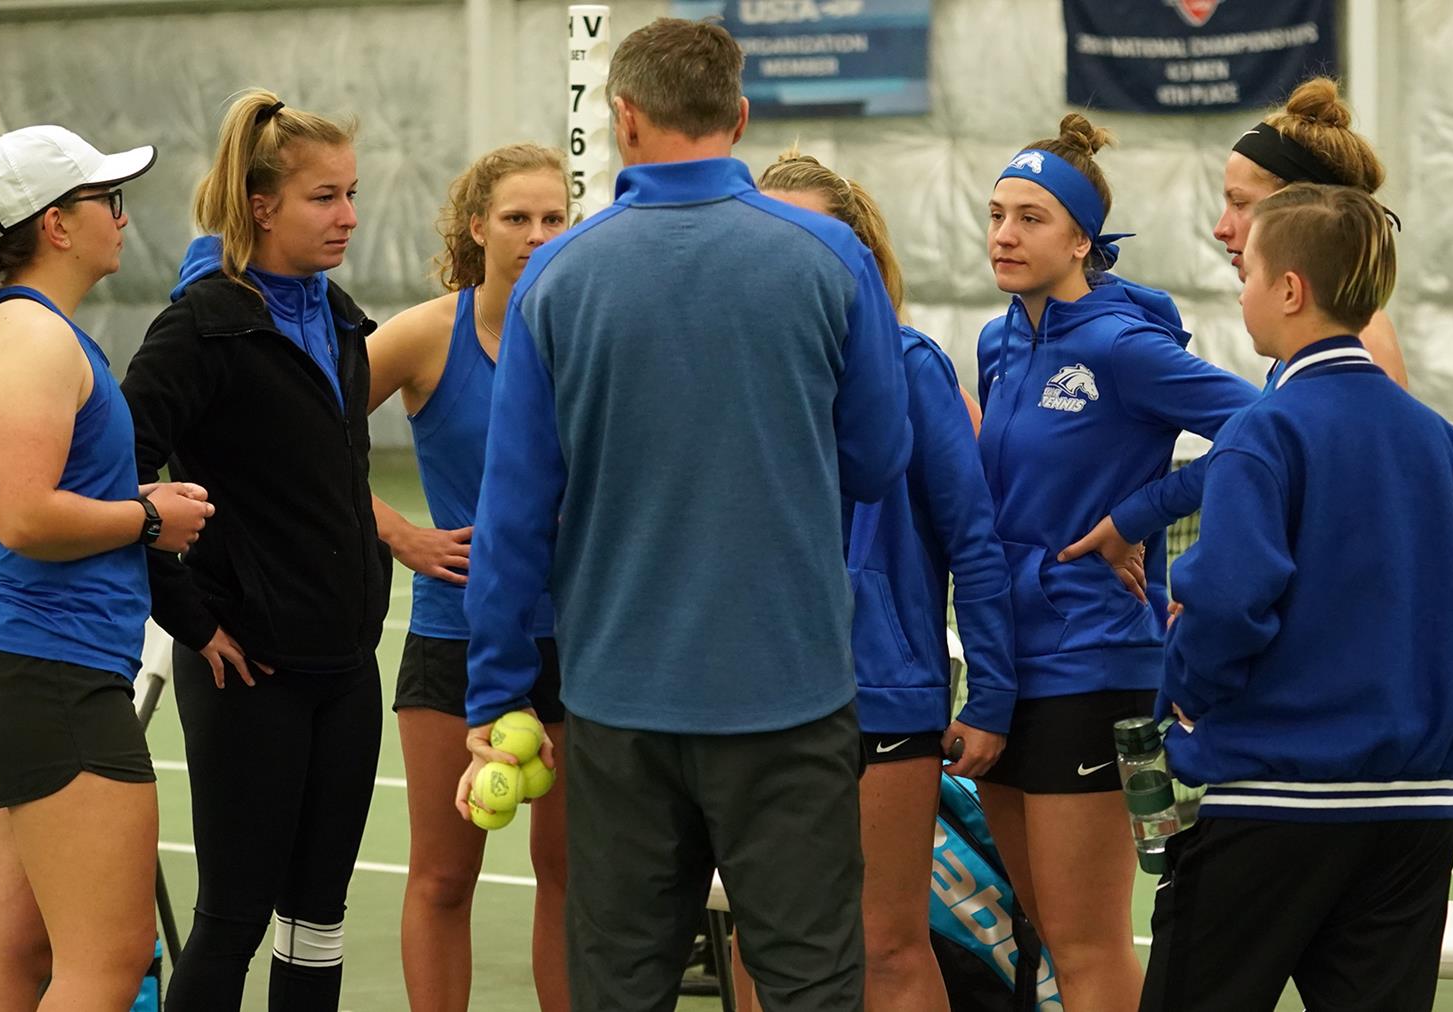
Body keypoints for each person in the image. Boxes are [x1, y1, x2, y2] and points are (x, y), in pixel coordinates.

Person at [457, 17, 911, 1010]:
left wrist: (496, 692)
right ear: (738, 117)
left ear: (623, 118)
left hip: (620, 703)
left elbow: (513, 512)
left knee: (621, 984)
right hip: (790, 691)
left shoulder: (555, 277)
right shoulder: (831, 256)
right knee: (812, 982)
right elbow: (879, 460)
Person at [1141, 183, 1453, 1011]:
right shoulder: (1440, 439)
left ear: (1290, 289)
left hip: (1272, 808)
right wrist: (1434, 694)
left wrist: (1186, 691)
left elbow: (1230, 598)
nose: (1241, 292)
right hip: (1413, 816)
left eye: (1249, 273)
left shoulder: (1265, 431)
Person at [970, 115, 1261, 1011]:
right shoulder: (996, 343)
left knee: (1086, 942)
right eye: (997, 215)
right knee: (1039, 930)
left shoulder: (1123, 348)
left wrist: (1142, 515)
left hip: (1093, 666)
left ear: (1081, 241)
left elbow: (1268, 429)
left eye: (1032, 218)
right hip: (1005, 666)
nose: (1006, 235)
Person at [0, 124, 209, 1009]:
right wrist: (148, 517)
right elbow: (21, 514)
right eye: (107, 201)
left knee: (9, 955)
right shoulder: (37, 340)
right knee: (110, 962)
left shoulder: (24, 330)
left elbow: (31, 498)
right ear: (56, 223)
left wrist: (132, 506)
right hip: (54, 674)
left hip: (25, 669)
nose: (121, 217)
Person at [120, 89, 386, 1012]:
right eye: (325, 197)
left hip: (347, 669)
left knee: (318, 922)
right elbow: (113, 481)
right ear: (261, 205)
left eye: (352, 194)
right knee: (232, 920)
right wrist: (194, 622)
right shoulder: (201, 327)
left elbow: (335, 484)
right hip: (248, 673)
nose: (348, 216)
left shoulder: (342, 318)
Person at [754, 150, 1013, 1012]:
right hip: (757, 696)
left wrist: (991, 696)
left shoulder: (910, 366)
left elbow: (974, 540)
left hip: (886, 697)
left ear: (857, 254)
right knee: (763, 937)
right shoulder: (733, 370)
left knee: (887, 945)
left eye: (813, 234)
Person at [365, 143, 572, 1011]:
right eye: (517, 218)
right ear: (478, 227)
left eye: (554, 218)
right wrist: (398, 533)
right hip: (454, 636)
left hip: (578, 642)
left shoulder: (585, 330)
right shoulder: (425, 335)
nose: (536, 235)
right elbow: (302, 434)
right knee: (444, 878)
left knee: (571, 876)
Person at [1063, 77, 1409, 582]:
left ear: (1296, 209)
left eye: (1240, 202)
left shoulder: (1357, 342)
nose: (1221, 227)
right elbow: (1264, 446)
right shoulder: (1318, 339)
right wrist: (1136, 516)